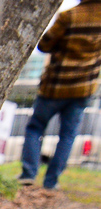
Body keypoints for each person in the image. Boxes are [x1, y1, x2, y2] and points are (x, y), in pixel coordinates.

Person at [20, 0, 101, 188]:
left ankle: (29, 174)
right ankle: (51, 181)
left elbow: (45, 45)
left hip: (56, 85)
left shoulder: (69, 16)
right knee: (68, 135)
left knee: (35, 127)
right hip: (83, 88)